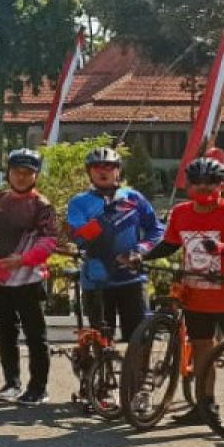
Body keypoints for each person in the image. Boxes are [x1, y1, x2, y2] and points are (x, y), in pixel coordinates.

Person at [129, 156, 224, 428]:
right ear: (188, 185)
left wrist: (222, 248)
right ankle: (205, 405)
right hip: (196, 294)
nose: (202, 189)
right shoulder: (180, 212)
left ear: (221, 185)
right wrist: (143, 258)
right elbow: (170, 244)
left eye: (209, 184)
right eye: (196, 184)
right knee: (202, 349)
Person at [0, 149, 57, 406]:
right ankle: (11, 383)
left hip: (29, 278)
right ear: (8, 173)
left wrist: (23, 259)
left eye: (27, 173)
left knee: (36, 336)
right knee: (6, 334)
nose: (21, 177)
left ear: (35, 175)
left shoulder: (42, 205)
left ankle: (38, 388)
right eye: (16, 172)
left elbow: (49, 241)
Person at [66, 146, 163, 341]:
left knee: (138, 340)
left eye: (109, 167)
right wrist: (107, 218)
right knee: (101, 342)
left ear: (118, 170)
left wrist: (140, 250)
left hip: (132, 279)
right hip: (97, 280)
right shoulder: (79, 202)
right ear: (89, 172)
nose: (103, 171)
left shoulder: (134, 198)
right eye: (96, 167)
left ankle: (137, 372)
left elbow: (157, 229)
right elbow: (79, 236)